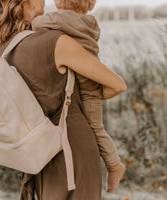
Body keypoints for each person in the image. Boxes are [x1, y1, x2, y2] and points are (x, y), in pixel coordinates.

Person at [0, 0, 127, 199]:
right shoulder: (56, 41)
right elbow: (117, 85)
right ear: (26, 2)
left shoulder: (3, 51)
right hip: (74, 152)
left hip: (39, 155)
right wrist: (85, 97)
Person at [31, 0, 126, 193]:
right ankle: (113, 164)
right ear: (91, 5)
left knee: (95, 128)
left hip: (82, 83)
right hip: (93, 83)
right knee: (98, 126)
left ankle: (114, 165)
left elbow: (36, 24)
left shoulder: (59, 19)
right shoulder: (90, 22)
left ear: (58, 3)